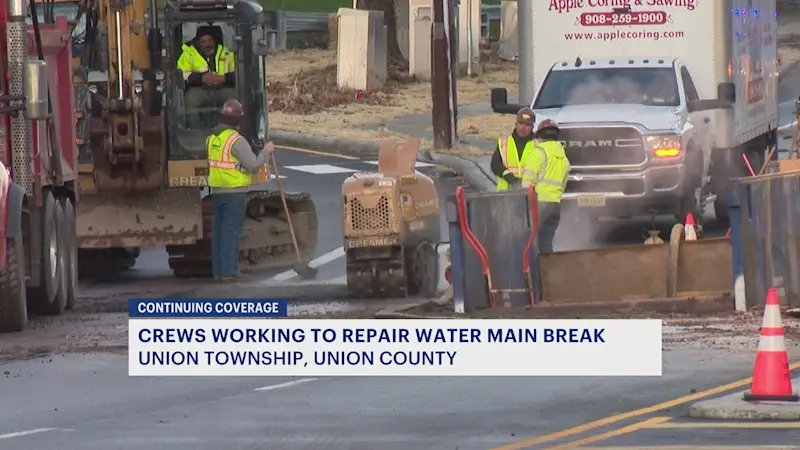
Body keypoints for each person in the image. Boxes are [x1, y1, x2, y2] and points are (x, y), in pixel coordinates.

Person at [207, 99, 275, 281]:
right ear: (238, 120)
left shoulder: (213, 138)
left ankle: (219, 271)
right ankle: (229, 271)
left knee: (220, 233)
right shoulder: (236, 141)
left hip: (217, 191)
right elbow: (253, 165)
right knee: (231, 232)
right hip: (234, 192)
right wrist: (265, 152)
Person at [177, 26, 237, 128]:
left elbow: (237, 72)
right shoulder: (188, 54)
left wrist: (223, 78)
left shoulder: (226, 53)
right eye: (203, 42)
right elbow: (181, 73)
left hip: (222, 87)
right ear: (197, 42)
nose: (208, 44)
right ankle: (194, 132)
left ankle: (229, 130)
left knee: (234, 100)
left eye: (210, 40)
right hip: (199, 88)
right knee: (190, 100)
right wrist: (200, 78)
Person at [527, 119, 571, 253]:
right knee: (546, 245)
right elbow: (563, 184)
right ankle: (549, 272)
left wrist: (524, 204)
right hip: (555, 206)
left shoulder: (538, 153)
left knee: (529, 243)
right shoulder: (563, 157)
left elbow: (528, 182)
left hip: (539, 204)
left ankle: (533, 273)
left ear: (539, 136)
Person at [490, 107, 537, 191]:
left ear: (533, 127)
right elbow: (495, 164)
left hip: (530, 194)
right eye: (521, 123)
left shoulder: (538, 145)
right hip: (507, 194)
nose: (523, 127)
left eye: (527, 125)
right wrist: (507, 175)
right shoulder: (504, 143)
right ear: (516, 124)